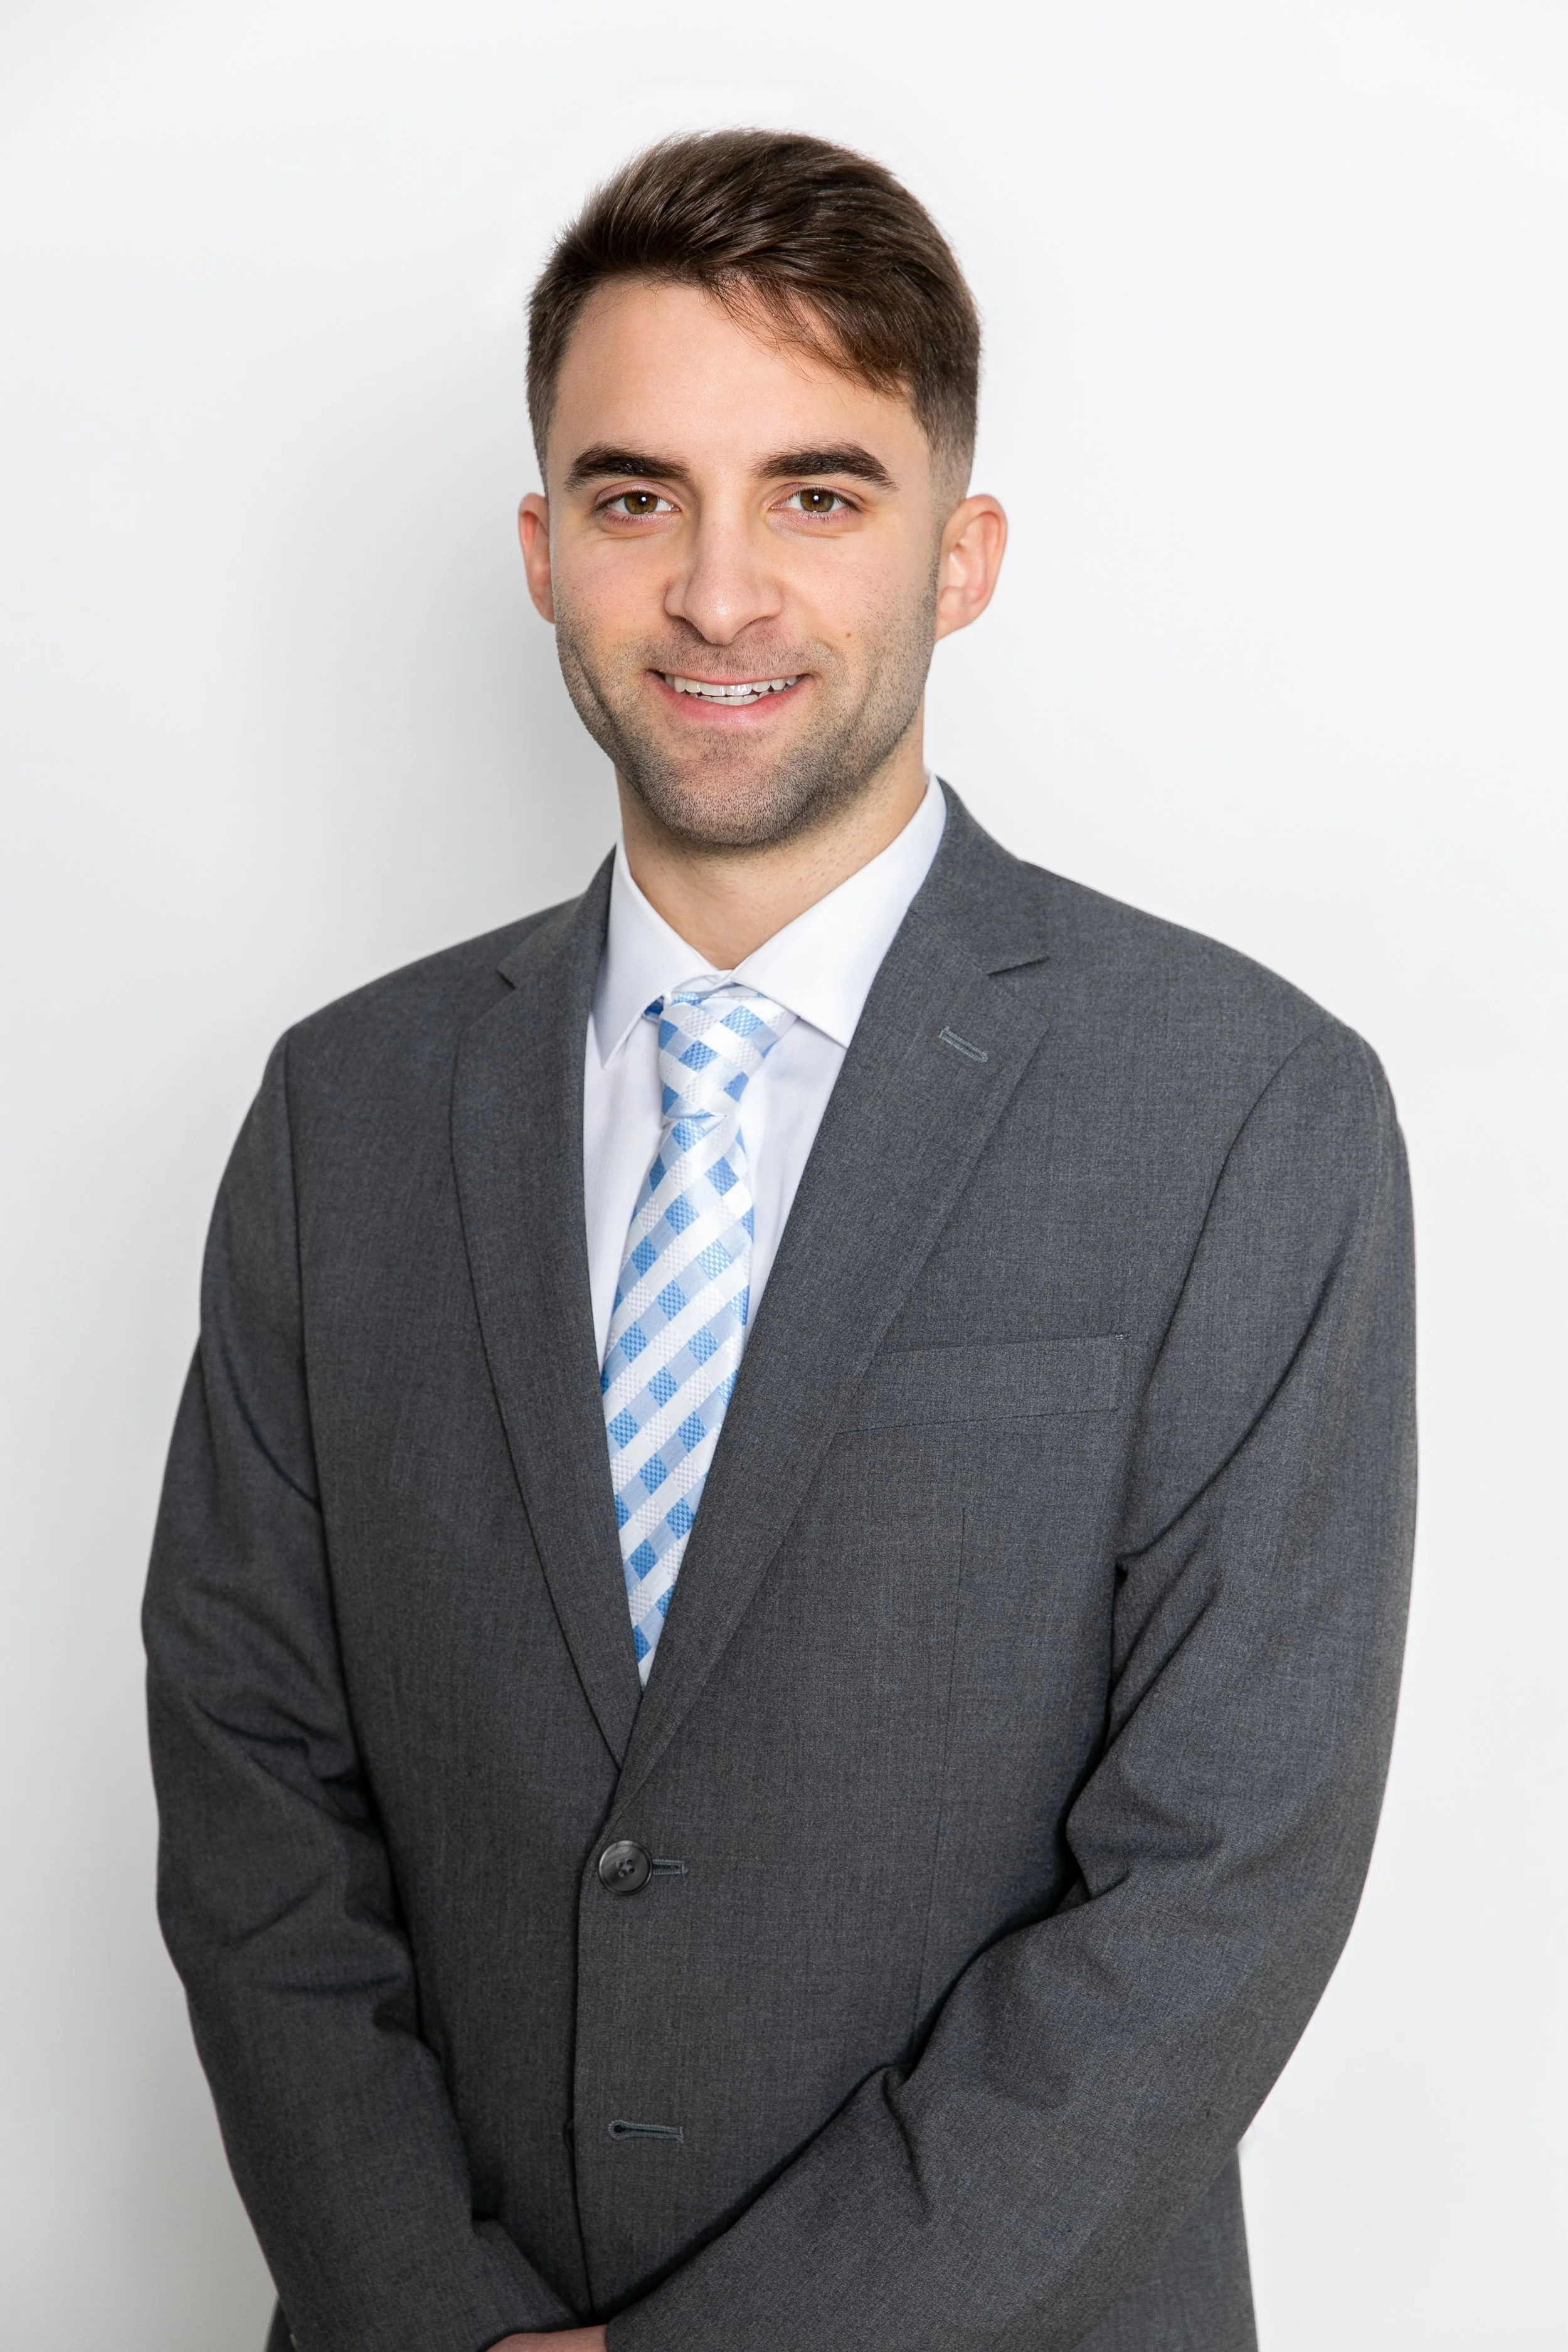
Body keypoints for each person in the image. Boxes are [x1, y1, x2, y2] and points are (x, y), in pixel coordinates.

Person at [144, 129, 1416, 2352]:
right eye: (638, 497)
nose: (718, 592)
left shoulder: (1242, 1110)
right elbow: (250, 1778)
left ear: (962, 554)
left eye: (818, 492)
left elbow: (1221, 1876)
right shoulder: (342, 1107)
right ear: (544, 552)